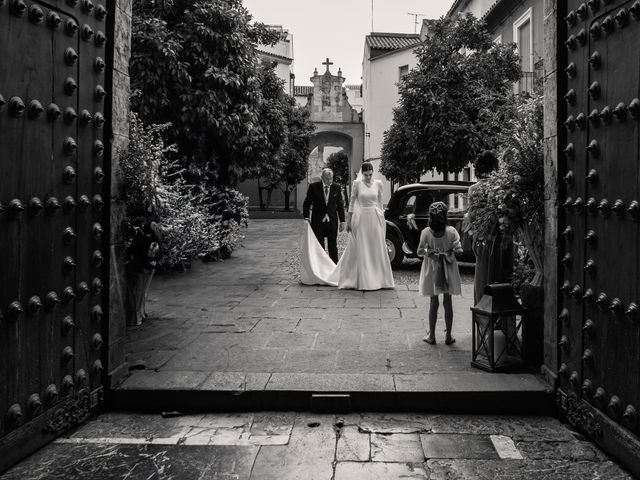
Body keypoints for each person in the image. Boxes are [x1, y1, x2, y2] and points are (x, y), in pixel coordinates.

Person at [300, 162, 394, 291]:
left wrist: (381, 218)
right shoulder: (356, 184)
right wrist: (349, 220)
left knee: (371, 247)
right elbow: (351, 203)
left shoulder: (377, 184)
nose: (368, 177)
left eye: (370, 174)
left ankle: (378, 278)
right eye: (366, 174)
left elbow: (378, 202)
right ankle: (323, 270)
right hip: (345, 220)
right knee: (325, 246)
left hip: (371, 218)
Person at [466, 151, 514, 304]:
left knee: (482, 278)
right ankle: (504, 321)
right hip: (501, 238)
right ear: (495, 167)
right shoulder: (502, 186)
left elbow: (472, 216)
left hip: (483, 239)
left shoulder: (473, 189)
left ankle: (483, 317)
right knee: (503, 277)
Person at [417, 202, 463, 345]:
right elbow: (459, 250)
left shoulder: (426, 232)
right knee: (448, 301)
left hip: (432, 269)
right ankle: (448, 335)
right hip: (448, 268)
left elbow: (419, 251)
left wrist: (429, 252)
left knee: (433, 301)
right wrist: (450, 252)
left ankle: (432, 336)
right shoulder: (451, 231)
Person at [303, 168, 346, 263]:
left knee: (333, 246)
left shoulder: (337, 188)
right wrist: (306, 217)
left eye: (331, 179)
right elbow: (307, 203)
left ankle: (334, 267)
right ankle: (321, 267)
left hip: (332, 222)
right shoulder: (313, 187)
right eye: (327, 179)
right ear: (322, 177)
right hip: (318, 222)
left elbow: (340, 205)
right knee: (319, 246)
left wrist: (342, 221)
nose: (330, 181)